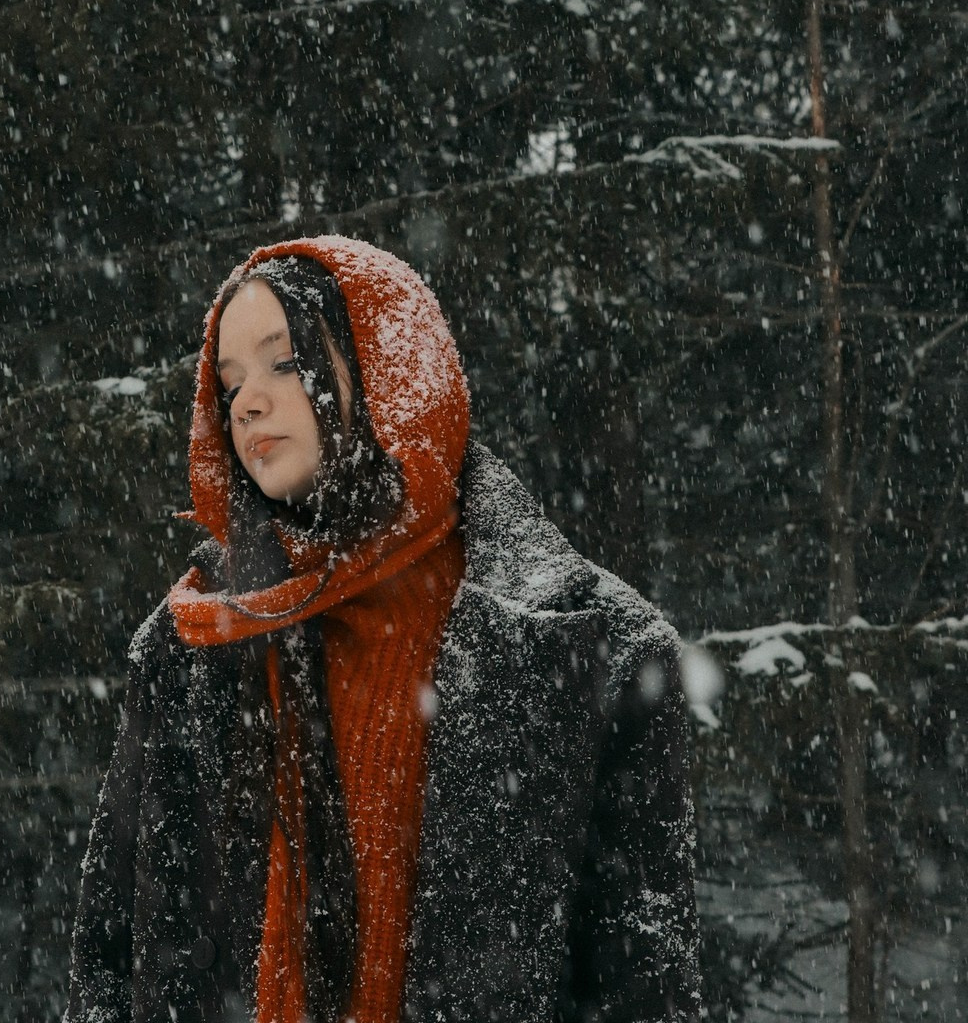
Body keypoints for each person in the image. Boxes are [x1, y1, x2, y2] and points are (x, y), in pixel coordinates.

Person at [65, 236, 700, 1023]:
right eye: (229, 386)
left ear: (391, 371)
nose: (248, 404)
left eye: (285, 363)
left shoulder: (594, 648)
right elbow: (109, 964)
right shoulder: (193, 643)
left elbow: (642, 986)